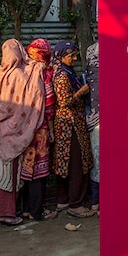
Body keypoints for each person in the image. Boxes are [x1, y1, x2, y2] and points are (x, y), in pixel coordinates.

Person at [0, 38, 45, 225]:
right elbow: (35, 94)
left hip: (0, 130)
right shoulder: (25, 73)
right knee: (11, 175)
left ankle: (5, 211)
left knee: (2, 174)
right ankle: (4, 212)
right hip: (19, 131)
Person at [52, 41, 95, 218]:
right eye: (71, 55)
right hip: (70, 126)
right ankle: (75, 203)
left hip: (69, 125)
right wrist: (81, 92)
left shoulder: (67, 72)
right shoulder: (63, 75)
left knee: (66, 164)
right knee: (75, 163)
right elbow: (64, 102)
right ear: (61, 57)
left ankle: (63, 200)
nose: (75, 58)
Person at [21, 38, 57, 221]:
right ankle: (37, 212)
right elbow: (49, 105)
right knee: (38, 171)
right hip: (40, 129)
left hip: (23, 128)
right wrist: (50, 131)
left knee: (26, 168)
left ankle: (25, 209)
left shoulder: (22, 70)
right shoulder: (44, 72)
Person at [83, 41, 101, 212]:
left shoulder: (87, 74)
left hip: (93, 120)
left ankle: (96, 201)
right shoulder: (111, 74)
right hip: (107, 121)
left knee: (97, 162)